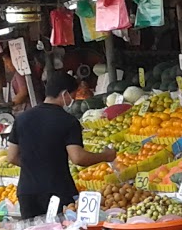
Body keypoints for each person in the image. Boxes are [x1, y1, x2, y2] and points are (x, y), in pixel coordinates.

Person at [8, 72, 114, 219]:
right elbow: (78, 158)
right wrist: (106, 156)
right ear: (64, 94)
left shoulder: (22, 119)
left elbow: (12, 157)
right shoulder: (68, 121)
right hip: (57, 191)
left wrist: (35, 165)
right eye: (73, 94)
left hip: (27, 192)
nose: (73, 99)